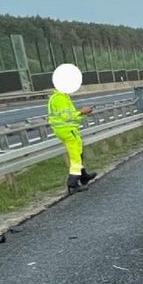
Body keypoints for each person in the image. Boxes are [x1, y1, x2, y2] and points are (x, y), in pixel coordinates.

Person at [48, 63, 97, 195]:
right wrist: (81, 112)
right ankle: (73, 183)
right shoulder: (60, 98)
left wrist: (83, 114)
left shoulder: (60, 97)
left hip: (67, 130)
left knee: (78, 151)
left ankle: (83, 176)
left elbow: (69, 116)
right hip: (67, 131)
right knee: (75, 156)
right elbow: (67, 116)